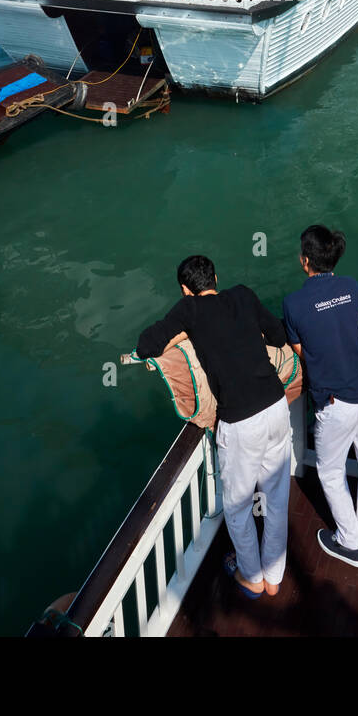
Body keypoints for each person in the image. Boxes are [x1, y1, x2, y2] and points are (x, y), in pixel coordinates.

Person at [135, 255, 291, 599]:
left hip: (240, 421)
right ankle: (275, 577)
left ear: (185, 290)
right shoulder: (243, 295)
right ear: (216, 278)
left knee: (237, 506)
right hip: (276, 406)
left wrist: (181, 334)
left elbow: (147, 345)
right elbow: (279, 337)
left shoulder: (188, 310)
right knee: (276, 497)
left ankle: (252, 576)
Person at [283, 224, 358, 568]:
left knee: (330, 473)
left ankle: (350, 543)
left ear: (305, 261)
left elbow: (302, 350)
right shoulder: (352, 287)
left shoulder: (294, 304)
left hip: (336, 403)